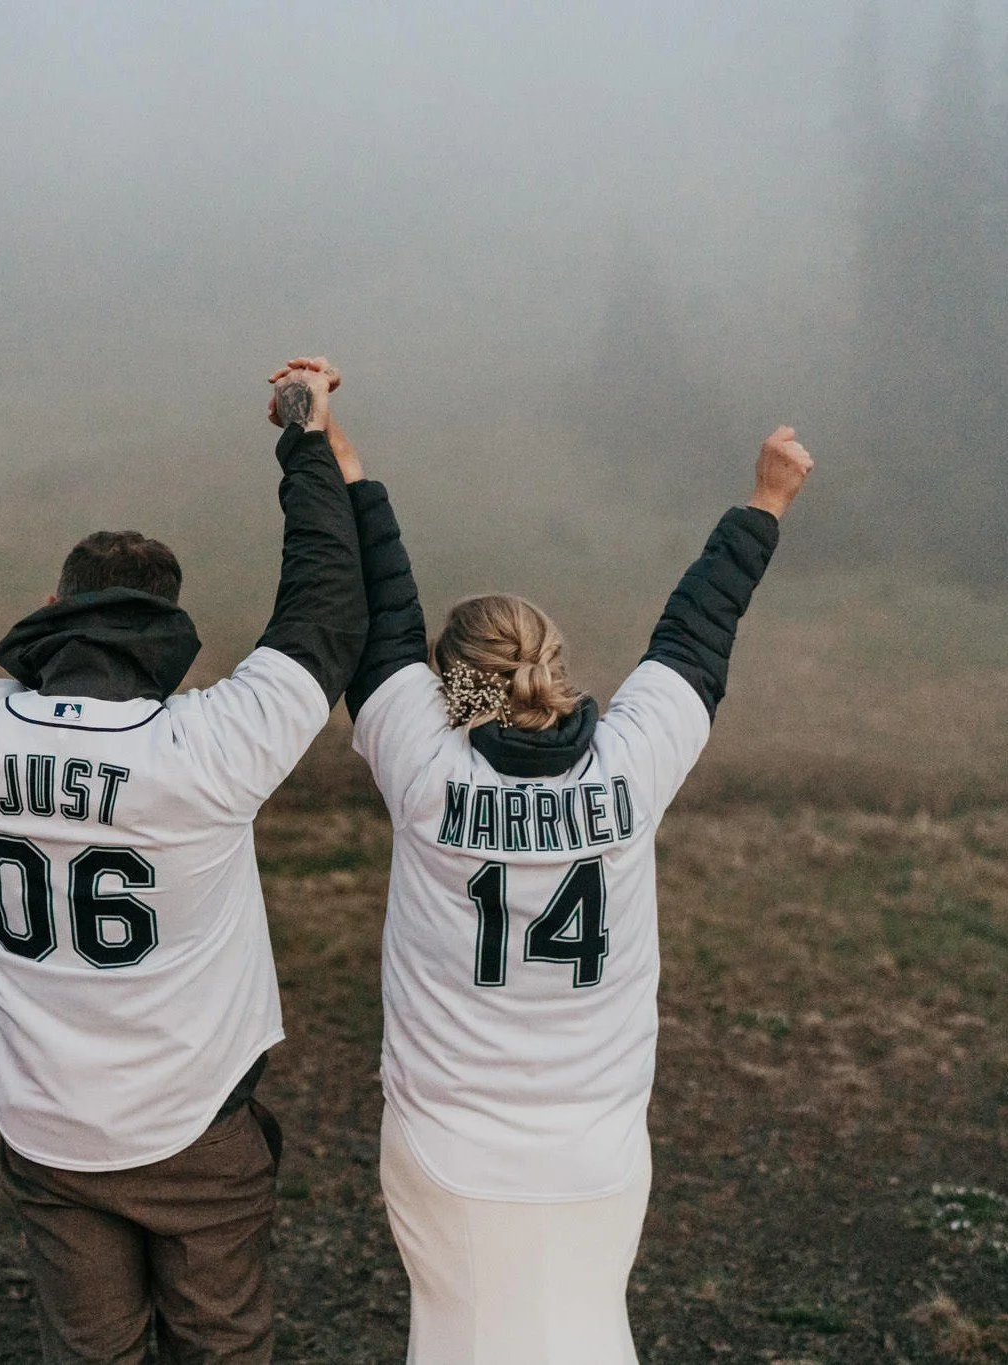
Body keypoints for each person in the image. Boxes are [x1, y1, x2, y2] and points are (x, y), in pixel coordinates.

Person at [279, 352, 811, 1364]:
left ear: (449, 689)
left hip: (446, 1149)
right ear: (555, 672)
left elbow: (379, 602)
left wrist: (331, 444)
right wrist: (764, 500)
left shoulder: (421, 763)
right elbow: (698, 630)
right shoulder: (632, 765)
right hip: (597, 1154)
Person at [0, 363, 365, 1365]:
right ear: (164, 633)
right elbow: (325, 616)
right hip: (199, 1125)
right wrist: (304, 438)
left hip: (45, 1129)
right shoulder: (208, 746)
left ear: (52, 609)